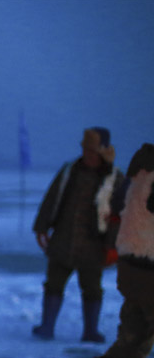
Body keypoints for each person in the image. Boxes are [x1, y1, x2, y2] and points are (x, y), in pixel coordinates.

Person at [67, 143, 154, 358]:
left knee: (132, 340)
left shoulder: (138, 169)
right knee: (133, 339)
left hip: (133, 265)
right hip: (149, 267)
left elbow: (117, 207)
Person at [32, 127, 126, 342]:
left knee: (92, 289)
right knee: (53, 284)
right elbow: (51, 199)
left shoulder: (114, 178)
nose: (87, 153)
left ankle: (90, 331)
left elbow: (120, 216)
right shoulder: (69, 171)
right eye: (85, 148)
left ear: (103, 151)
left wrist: (113, 247)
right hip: (63, 241)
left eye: (92, 150)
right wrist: (41, 227)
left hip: (94, 247)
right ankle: (47, 327)